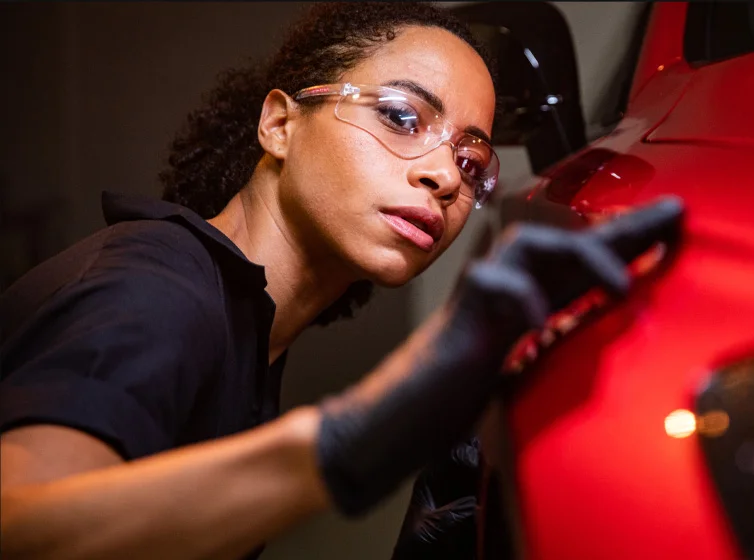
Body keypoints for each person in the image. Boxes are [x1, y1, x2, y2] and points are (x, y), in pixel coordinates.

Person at [0, 3, 684, 559]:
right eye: (400, 118)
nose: (445, 177)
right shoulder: (160, 293)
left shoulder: (247, 327)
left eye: (472, 164)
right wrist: (347, 446)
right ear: (279, 123)